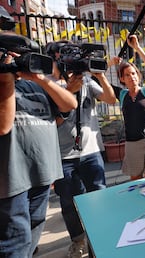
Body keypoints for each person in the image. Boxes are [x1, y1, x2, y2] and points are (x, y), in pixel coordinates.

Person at [0, 33, 78, 258]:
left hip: (41, 176)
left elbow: (69, 104)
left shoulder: (36, 84)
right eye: (14, 55)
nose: (20, 59)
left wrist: (39, 78)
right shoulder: (3, 84)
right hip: (12, 182)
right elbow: (4, 126)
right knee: (14, 244)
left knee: (31, 238)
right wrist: (6, 75)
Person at [45, 40, 117, 257]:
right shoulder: (47, 84)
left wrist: (100, 75)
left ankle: (100, 239)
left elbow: (111, 99)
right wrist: (68, 91)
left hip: (91, 152)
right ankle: (78, 240)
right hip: (63, 155)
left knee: (98, 197)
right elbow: (51, 122)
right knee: (68, 203)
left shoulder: (87, 81)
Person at [111, 35, 145, 181]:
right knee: (136, 179)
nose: (132, 77)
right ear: (122, 79)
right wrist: (109, 63)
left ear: (138, 75)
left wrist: (137, 48)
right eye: (127, 75)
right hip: (132, 143)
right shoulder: (122, 94)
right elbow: (96, 81)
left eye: (133, 73)